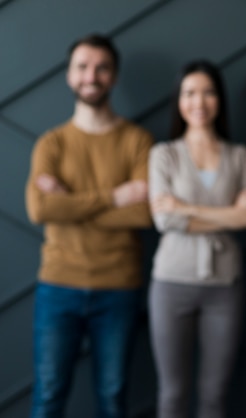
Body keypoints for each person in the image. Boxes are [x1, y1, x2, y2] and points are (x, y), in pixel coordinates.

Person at [25, 34, 154, 417]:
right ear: (69, 75)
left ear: (113, 77)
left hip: (119, 287)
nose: (91, 76)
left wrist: (70, 202)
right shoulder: (51, 143)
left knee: (112, 398)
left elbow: (143, 214)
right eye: (82, 67)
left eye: (101, 67)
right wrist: (114, 197)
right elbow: (40, 209)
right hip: (57, 285)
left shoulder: (137, 141)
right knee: (48, 394)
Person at [148, 60, 246, 418]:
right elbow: (165, 219)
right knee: (172, 394)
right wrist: (228, 213)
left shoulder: (240, 155)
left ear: (219, 99)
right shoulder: (163, 154)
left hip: (224, 285)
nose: (199, 101)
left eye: (208, 92)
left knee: (214, 396)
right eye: (190, 93)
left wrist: (187, 208)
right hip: (171, 283)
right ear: (179, 101)